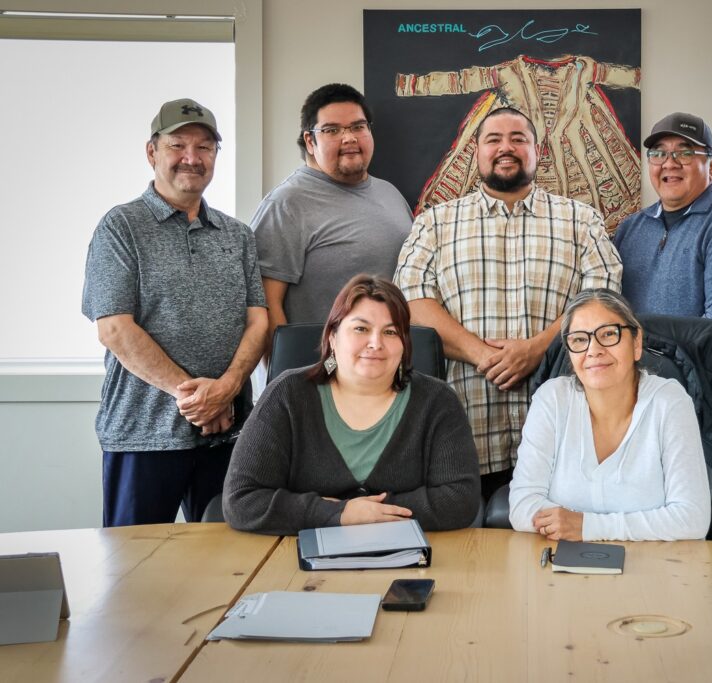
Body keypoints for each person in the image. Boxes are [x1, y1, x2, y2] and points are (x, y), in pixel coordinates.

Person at [395, 107, 622, 498]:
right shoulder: (434, 223)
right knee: (470, 553)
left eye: (518, 138)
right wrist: (483, 354)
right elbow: (410, 304)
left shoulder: (582, 221)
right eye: (493, 139)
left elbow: (604, 298)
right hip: (465, 432)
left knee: (558, 548)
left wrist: (539, 349)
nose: (506, 147)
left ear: (538, 151)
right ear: (476, 152)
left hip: (568, 435)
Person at [82, 98, 268, 527]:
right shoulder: (121, 227)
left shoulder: (237, 235)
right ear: (152, 152)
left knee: (226, 568)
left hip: (227, 436)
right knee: (135, 572)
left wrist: (228, 388)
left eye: (204, 147)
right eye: (178, 145)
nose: (192, 158)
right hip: (143, 435)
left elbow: (259, 320)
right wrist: (199, 399)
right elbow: (114, 328)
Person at [223, 275, 481, 535]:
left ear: (404, 344)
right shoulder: (288, 394)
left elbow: (460, 499)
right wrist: (338, 514)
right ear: (333, 337)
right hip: (299, 562)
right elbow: (242, 500)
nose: (375, 343)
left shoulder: (437, 401)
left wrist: (367, 513)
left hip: (410, 557)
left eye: (390, 332)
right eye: (361, 329)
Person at [508, 289, 711, 541]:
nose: (594, 350)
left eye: (608, 334)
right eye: (580, 340)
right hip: (560, 569)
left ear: (636, 343)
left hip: (654, 569)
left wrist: (586, 526)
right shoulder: (552, 399)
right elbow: (522, 507)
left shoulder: (669, 401)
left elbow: (692, 519)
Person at [253, 83, 412, 356]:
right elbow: (266, 304)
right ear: (310, 141)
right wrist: (285, 383)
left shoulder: (390, 193)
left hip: (387, 369)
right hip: (321, 377)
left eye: (358, 127)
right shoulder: (286, 204)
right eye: (332, 130)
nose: (349, 138)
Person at [613, 112, 712, 345]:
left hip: (699, 380)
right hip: (635, 377)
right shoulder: (631, 229)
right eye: (658, 153)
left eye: (684, 152)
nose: (669, 163)